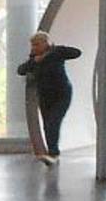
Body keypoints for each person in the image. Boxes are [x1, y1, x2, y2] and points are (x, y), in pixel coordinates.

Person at [17, 32, 81, 167]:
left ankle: (53, 153)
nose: (34, 48)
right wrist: (34, 61)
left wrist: (53, 52)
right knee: (47, 125)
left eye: (37, 44)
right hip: (45, 97)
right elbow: (20, 70)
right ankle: (52, 152)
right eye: (32, 45)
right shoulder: (33, 60)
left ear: (45, 43)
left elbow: (76, 52)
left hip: (62, 94)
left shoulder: (56, 52)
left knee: (53, 121)